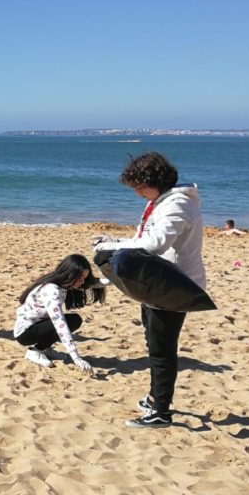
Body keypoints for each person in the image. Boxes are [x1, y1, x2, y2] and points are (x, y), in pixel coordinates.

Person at [93, 151, 205, 429]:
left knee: (162, 350)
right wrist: (114, 240)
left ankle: (161, 413)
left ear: (154, 180)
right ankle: (156, 397)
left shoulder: (178, 204)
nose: (137, 193)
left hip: (174, 287)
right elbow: (143, 238)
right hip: (157, 282)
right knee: (153, 342)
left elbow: (155, 244)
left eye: (139, 187)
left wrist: (115, 247)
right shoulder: (162, 201)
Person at [14, 254, 103, 372]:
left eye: (84, 278)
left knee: (74, 319)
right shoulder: (53, 291)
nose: (82, 282)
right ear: (70, 274)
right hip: (25, 333)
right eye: (80, 277)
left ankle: (44, 348)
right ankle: (34, 352)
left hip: (39, 324)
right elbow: (60, 325)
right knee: (67, 323)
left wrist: (120, 280)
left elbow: (94, 283)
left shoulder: (62, 283)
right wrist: (77, 358)